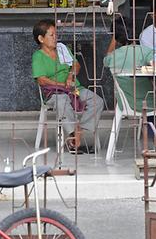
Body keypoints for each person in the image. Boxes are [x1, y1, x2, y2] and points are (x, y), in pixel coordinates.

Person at [31, 19, 104, 154]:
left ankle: (78, 133)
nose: (55, 38)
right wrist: (61, 85)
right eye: (51, 35)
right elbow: (41, 80)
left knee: (97, 101)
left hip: (74, 88)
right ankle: (71, 136)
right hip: (54, 92)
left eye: (56, 34)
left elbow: (76, 65)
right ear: (41, 38)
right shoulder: (38, 56)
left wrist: (70, 76)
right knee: (62, 100)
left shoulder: (62, 49)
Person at [104, 17, 156, 113]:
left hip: (126, 104)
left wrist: (115, 37)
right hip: (151, 102)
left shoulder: (112, 57)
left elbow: (107, 58)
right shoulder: (146, 52)